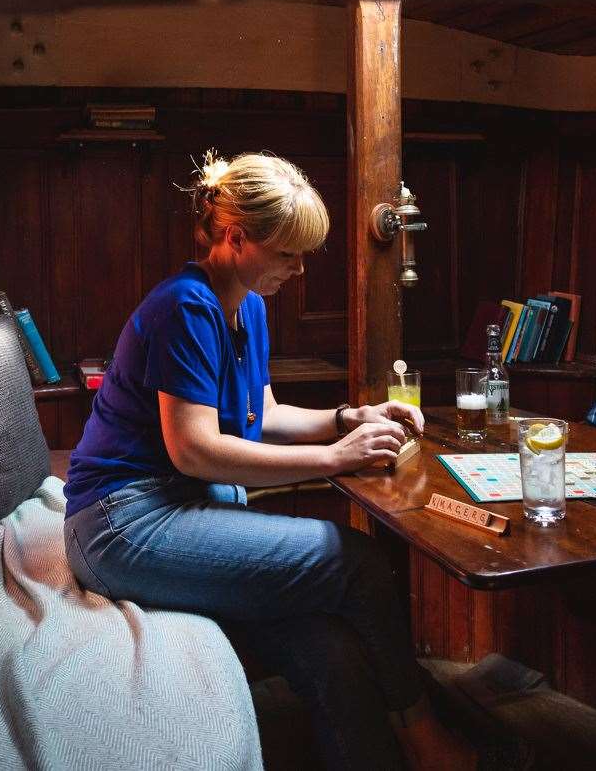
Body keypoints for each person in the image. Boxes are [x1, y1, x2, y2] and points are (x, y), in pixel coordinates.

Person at [63, 151, 474, 771]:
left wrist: (349, 418)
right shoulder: (185, 307)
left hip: (182, 508)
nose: (299, 270)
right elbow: (194, 449)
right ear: (234, 238)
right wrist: (335, 460)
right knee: (354, 562)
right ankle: (423, 736)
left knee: (327, 646)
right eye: (287, 254)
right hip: (124, 524)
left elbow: (266, 415)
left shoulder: (249, 307)